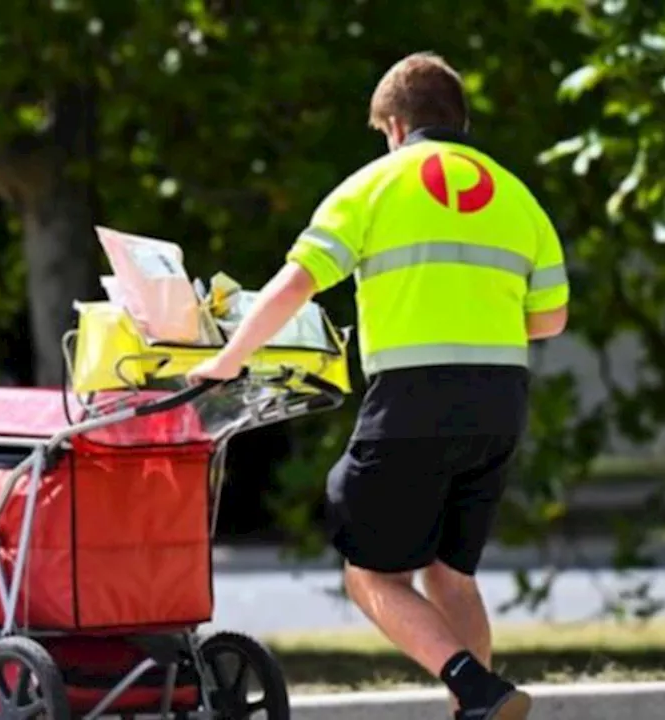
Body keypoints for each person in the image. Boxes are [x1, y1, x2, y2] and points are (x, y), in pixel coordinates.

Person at [186, 52, 569, 720]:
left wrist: (227, 358)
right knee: (451, 573)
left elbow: (299, 280)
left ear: (394, 125)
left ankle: (477, 689)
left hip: (413, 403)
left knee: (370, 572)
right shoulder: (516, 195)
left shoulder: (373, 185)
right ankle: (475, 711)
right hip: (501, 404)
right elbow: (551, 320)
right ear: (459, 119)